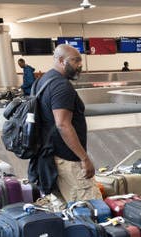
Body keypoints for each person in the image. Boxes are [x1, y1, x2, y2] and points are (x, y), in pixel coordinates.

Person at [29, 44, 101, 204]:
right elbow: (63, 124)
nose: (80, 65)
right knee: (91, 210)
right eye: (75, 61)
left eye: (80, 61)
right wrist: (84, 158)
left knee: (66, 213)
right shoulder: (61, 86)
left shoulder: (42, 81)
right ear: (61, 61)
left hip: (49, 157)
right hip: (68, 161)